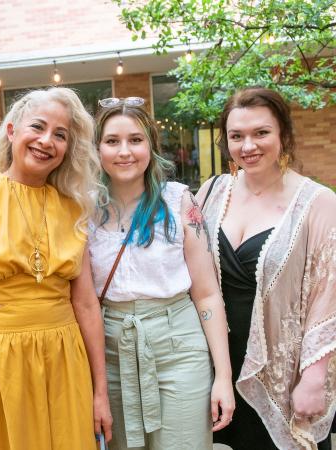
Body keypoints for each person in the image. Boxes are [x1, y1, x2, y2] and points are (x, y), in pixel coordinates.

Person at [0, 87, 112, 450]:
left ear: (67, 150)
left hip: (63, 357)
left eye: (60, 135)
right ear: (13, 130)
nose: (47, 141)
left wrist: (100, 391)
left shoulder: (74, 210)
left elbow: (86, 305)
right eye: (38, 127)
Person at [88, 96, 235, 450]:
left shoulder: (178, 200)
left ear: (151, 146)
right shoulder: (82, 208)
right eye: (112, 141)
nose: (125, 151)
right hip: (111, 353)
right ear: (97, 149)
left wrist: (224, 377)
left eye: (136, 140)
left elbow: (206, 293)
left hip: (180, 349)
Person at [197, 87, 336, 450]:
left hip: (284, 371)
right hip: (217, 368)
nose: (248, 146)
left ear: (283, 135)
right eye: (236, 136)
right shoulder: (210, 194)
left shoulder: (318, 204)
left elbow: (328, 297)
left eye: (261, 133)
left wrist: (314, 377)